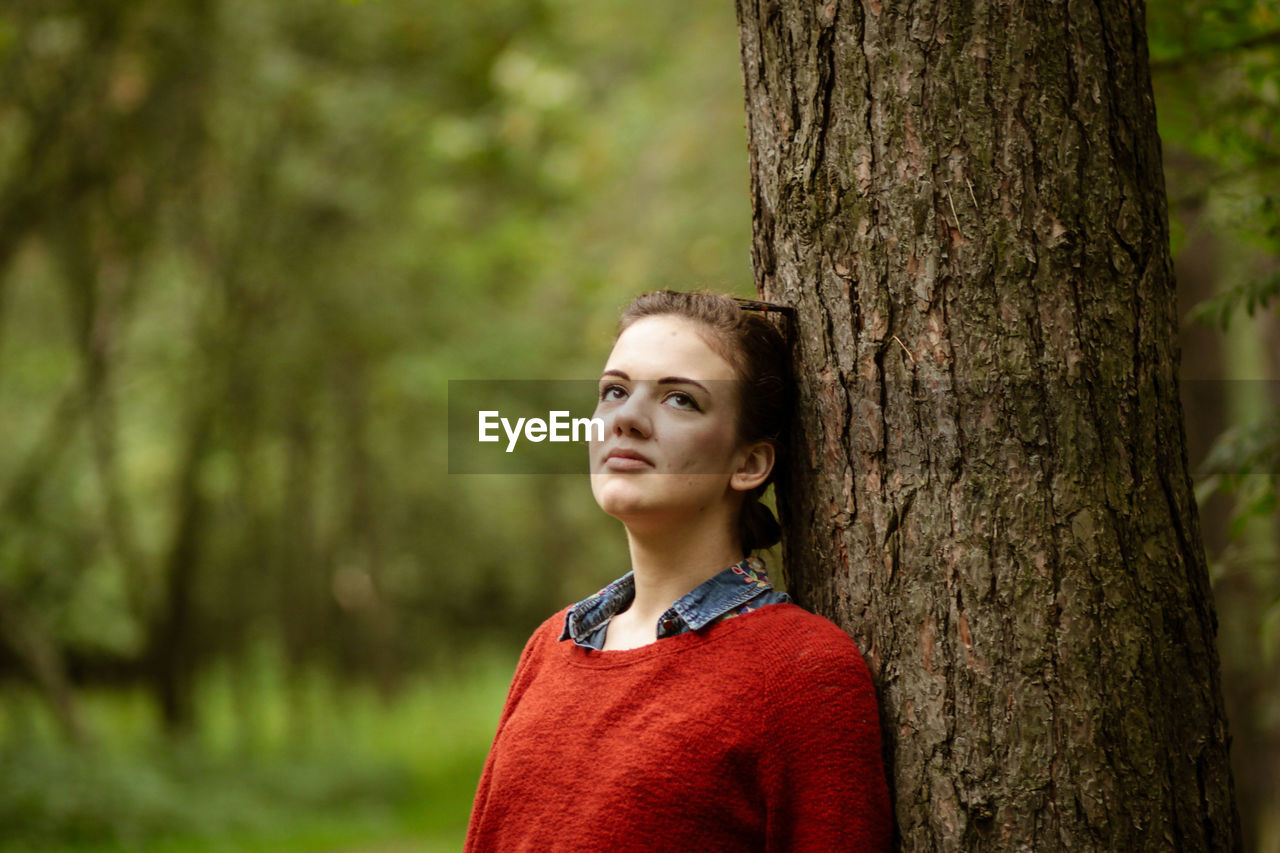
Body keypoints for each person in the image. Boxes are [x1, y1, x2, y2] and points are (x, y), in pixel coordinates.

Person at [464, 290, 892, 852]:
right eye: (614, 391)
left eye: (680, 400)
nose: (627, 420)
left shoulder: (800, 672)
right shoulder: (551, 645)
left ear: (748, 463)